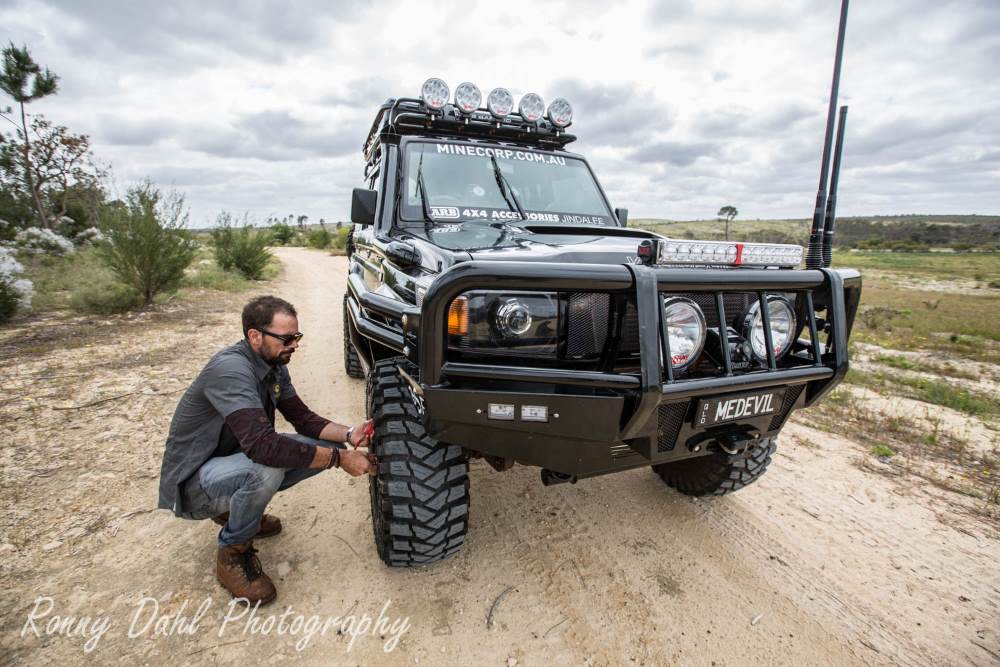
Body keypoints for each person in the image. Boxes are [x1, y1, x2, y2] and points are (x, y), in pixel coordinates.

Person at [157, 295, 374, 604]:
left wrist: (351, 434)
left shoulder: (272, 363)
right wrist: (340, 460)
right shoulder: (231, 370)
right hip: (195, 486)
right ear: (254, 336)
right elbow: (262, 447)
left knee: (326, 445)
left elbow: (302, 419)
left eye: (296, 337)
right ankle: (233, 552)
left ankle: (238, 511)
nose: (294, 345)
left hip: (228, 465)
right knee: (265, 468)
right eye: (286, 338)